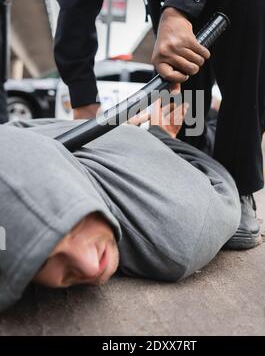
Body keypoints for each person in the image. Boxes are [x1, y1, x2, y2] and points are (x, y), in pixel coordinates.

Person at [54, 0, 265, 249]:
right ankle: (200, 152)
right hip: (170, 14)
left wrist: (181, 9)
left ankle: (239, 184)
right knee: (191, 123)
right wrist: (83, 100)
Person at [0, 94, 240, 311]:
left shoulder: (178, 230)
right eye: (41, 262)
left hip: (170, 131)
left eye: (74, 224)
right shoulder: (174, 240)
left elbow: (227, 184)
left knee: (196, 102)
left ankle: (205, 101)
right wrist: (161, 136)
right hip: (148, 136)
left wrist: (162, 137)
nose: (91, 266)